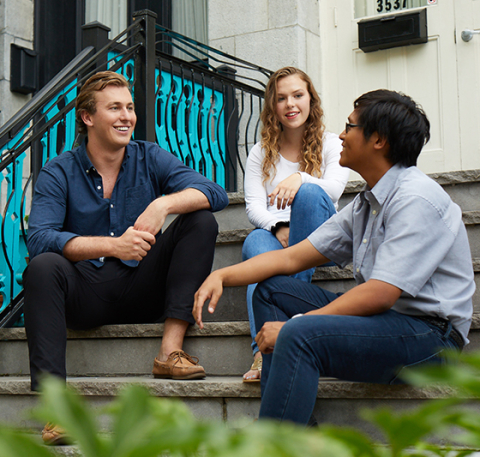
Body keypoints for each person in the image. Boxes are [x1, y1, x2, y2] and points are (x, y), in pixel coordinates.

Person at [194, 89, 475, 425]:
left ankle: (274, 443)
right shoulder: (366, 203)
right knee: (269, 289)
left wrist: (296, 325)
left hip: (430, 341)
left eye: (350, 126)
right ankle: (293, 430)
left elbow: (381, 293)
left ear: (379, 140)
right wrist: (222, 276)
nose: (340, 135)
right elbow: (291, 258)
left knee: (298, 334)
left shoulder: (416, 198)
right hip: (386, 326)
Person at [23, 71, 228, 443]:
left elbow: (214, 192)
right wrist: (111, 245)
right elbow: (39, 237)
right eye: (114, 107)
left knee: (198, 219)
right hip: (87, 293)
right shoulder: (59, 171)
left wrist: (164, 203)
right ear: (88, 118)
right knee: (42, 267)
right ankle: (56, 410)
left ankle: (170, 351)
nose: (126, 117)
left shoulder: (149, 156)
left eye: (130, 108)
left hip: (144, 286)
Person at [242, 67, 349, 382]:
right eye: (281, 98)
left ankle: (288, 326)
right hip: (278, 237)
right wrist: (278, 228)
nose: (291, 104)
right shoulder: (260, 153)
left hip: (321, 235)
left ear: (310, 99)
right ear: (272, 107)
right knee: (255, 247)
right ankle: (262, 353)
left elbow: (333, 190)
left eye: (298, 95)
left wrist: (300, 177)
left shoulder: (332, 143)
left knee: (312, 192)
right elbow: (253, 207)